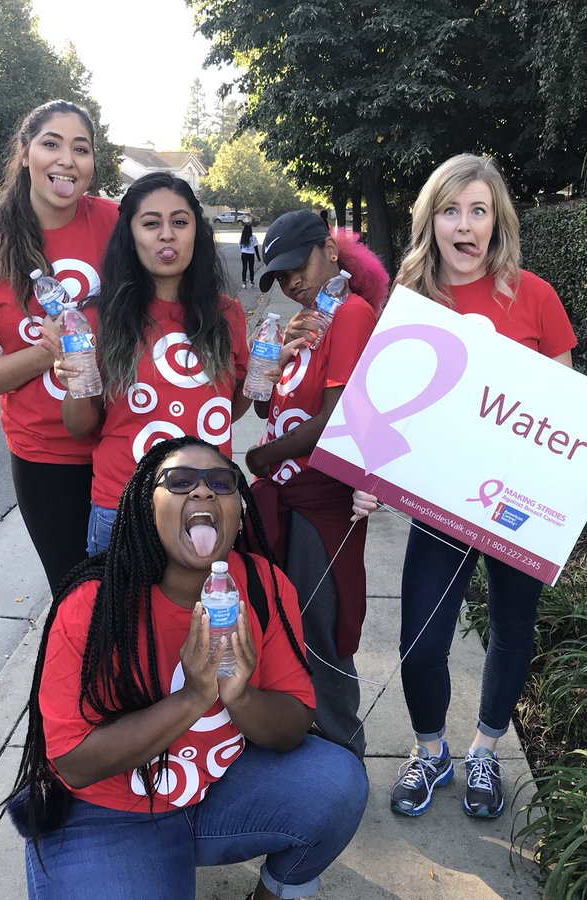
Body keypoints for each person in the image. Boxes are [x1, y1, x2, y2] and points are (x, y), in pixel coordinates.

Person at [350, 154, 587, 819]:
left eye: (477, 211)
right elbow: (382, 404)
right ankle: (431, 749)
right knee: (421, 640)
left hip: (517, 505)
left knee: (511, 625)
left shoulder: (536, 297)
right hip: (439, 503)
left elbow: (565, 413)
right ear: (430, 221)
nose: (464, 226)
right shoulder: (409, 300)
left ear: (497, 222)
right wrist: (367, 476)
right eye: (449, 211)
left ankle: (484, 751)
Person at [5, 435, 369, 900]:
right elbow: (73, 764)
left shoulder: (263, 583)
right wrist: (194, 697)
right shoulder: (92, 604)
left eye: (222, 481)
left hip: (218, 784)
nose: (202, 493)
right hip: (111, 810)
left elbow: (293, 725)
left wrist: (242, 696)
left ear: (238, 514)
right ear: (145, 508)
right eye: (179, 482)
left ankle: (274, 892)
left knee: (336, 783)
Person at [0, 100, 118, 594]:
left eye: (80, 149)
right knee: (79, 603)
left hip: (129, 440)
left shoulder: (117, 222)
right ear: (24, 155)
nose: (66, 160)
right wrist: (47, 353)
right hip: (50, 461)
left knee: (137, 599)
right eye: (51, 144)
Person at [243, 211, 386, 758]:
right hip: (285, 502)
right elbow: (263, 403)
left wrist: (261, 458)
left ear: (329, 248)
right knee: (286, 627)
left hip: (320, 504)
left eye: (295, 267)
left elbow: (334, 421)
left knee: (321, 633)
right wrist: (271, 357)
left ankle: (341, 751)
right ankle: (302, 740)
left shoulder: (350, 313)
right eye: (278, 277)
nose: (290, 283)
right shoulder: (310, 320)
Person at [56, 173, 251, 556]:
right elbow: (80, 427)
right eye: (151, 223)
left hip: (205, 505)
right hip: (123, 508)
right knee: (124, 618)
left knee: (202, 616)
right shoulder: (96, 318)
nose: (167, 234)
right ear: (130, 236)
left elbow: (229, 409)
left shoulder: (228, 315)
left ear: (196, 232)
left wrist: (265, 373)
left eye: (179, 222)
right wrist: (74, 380)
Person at [238, 221, 260, 289]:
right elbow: (256, 248)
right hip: (251, 254)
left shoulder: (242, 237)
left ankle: (244, 283)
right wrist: (258, 257)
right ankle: (251, 282)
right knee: (251, 268)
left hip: (244, 254)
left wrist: (243, 250)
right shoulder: (253, 237)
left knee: (244, 268)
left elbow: (240, 245)